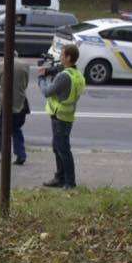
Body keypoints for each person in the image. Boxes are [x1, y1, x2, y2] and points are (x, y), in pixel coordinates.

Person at [37, 42, 85, 189]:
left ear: (69, 57)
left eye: (62, 55)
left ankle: (69, 182)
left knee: (63, 150)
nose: (60, 57)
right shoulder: (76, 74)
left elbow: (47, 92)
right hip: (67, 116)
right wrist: (50, 71)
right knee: (58, 148)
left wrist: (41, 79)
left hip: (60, 117)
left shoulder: (64, 76)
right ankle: (60, 177)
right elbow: (60, 75)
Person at [0, 57, 29, 166]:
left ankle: (5, 155)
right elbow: (26, 84)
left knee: (3, 131)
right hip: (21, 102)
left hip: (5, 103)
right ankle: (20, 154)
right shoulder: (25, 66)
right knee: (16, 129)